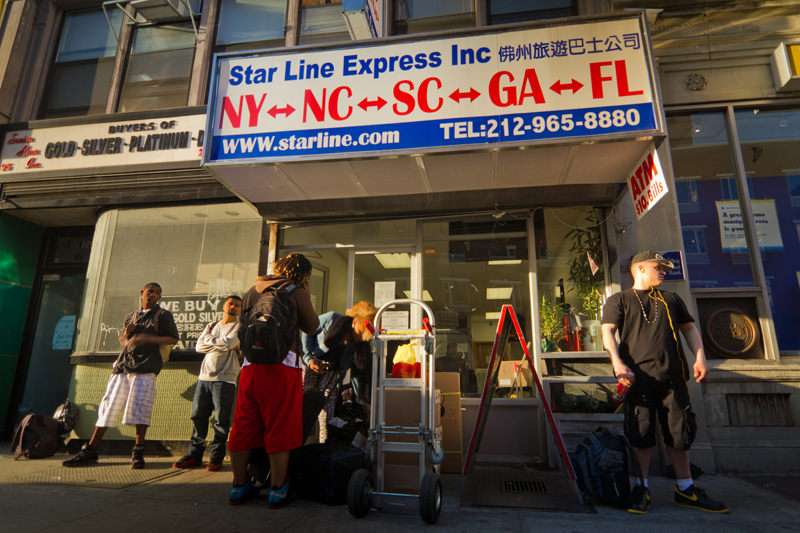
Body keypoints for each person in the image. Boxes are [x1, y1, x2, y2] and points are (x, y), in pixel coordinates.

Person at [601, 251, 728, 514]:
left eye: (664, 268)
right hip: (638, 379)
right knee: (640, 433)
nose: (663, 272)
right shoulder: (620, 300)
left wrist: (701, 357)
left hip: (673, 377)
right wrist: (617, 362)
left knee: (679, 433)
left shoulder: (672, 299)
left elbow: (690, 329)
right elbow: (607, 332)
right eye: (658, 267)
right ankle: (641, 487)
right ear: (640, 269)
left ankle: (686, 488)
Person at [227, 254, 319, 507]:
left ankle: (238, 485)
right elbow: (312, 326)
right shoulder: (295, 289)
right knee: (280, 425)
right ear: (303, 273)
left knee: (244, 425)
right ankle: (278, 488)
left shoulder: (251, 290)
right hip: (282, 366)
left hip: (250, 367)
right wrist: (305, 295)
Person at [63, 282, 178, 469]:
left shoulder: (163, 315)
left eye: (157, 293)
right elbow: (125, 342)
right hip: (123, 366)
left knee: (141, 407)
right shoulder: (131, 316)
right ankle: (91, 449)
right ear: (142, 293)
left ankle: (138, 451)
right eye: (150, 292)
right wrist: (127, 334)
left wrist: (146, 338)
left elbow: (173, 338)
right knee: (108, 407)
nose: (153, 296)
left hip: (145, 367)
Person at [173, 295, 243, 471]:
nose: (233, 307)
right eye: (230, 303)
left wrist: (211, 342)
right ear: (224, 306)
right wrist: (219, 344)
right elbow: (198, 347)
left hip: (225, 379)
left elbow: (230, 343)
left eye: (237, 305)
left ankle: (216, 457)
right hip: (204, 378)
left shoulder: (240, 327)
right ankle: (195, 455)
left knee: (221, 420)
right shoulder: (211, 325)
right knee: (198, 416)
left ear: (240, 310)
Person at [301, 300, 377, 442]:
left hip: (332, 381)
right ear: (358, 321)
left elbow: (358, 373)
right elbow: (308, 331)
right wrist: (308, 358)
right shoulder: (332, 319)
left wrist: (363, 401)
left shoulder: (360, 344)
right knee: (306, 415)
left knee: (326, 420)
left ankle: (322, 451)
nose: (368, 329)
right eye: (367, 324)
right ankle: (299, 449)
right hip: (313, 370)